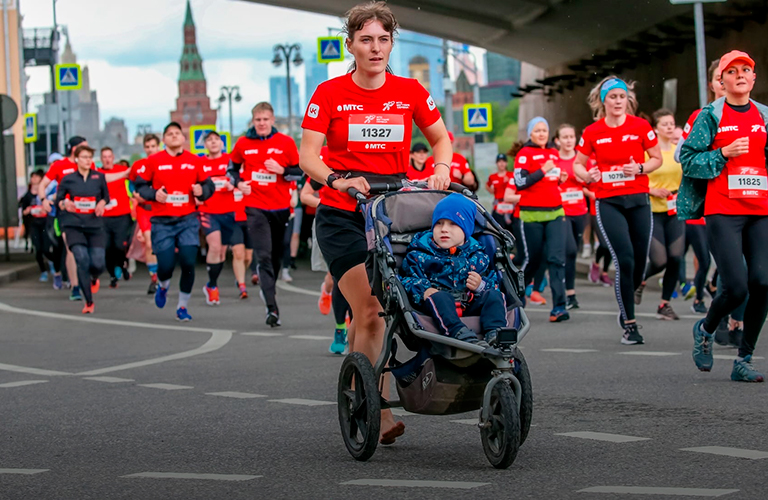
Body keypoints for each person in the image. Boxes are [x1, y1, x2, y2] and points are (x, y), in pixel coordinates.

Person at [299, 1, 451, 445]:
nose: (375, 47)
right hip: (342, 216)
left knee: (391, 312)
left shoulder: (409, 91)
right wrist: (337, 179)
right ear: (351, 45)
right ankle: (376, 408)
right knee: (370, 309)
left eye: (383, 39)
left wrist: (441, 169)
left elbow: (441, 139)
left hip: (394, 216)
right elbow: (308, 155)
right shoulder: (328, 94)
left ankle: (358, 388)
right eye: (366, 39)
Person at [680, 50, 768, 382]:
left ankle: (744, 358)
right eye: (732, 71)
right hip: (723, 210)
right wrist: (721, 153)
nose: (740, 75)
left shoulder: (764, 115)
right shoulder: (711, 115)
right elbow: (688, 159)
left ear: (754, 78)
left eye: (747, 69)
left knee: (763, 282)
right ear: (722, 80)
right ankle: (705, 329)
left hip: (760, 209)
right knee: (737, 287)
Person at [574, 76, 662, 345]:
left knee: (639, 260)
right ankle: (629, 323)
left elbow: (656, 158)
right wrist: (588, 175)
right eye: (612, 97)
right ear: (604, 101)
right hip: (609, 201)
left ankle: (628, 301)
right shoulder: (592, 132)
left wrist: (640, 168)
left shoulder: (641, 127)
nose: (617, 102)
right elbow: (578, 165)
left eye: (621, 97)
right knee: (624, 259)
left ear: (628, 100)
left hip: (638, 200)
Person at [227, 102, 301, 327]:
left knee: (276, 255)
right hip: (255, 207)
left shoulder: (285, 143)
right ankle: (272, 309)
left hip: (280, 209)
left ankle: (268, 291)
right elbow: (231, 170)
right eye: (257, 120)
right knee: (264, 256)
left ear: (272, 121)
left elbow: (300, 172)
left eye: (265, 119)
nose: (261, 123)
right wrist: (240, 183)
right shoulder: (243, 143)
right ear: (253, 121)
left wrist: (283, 171)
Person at [134, 122, 214, 321]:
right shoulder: (154, 161)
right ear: (164, 139)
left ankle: (182, 307)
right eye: (169, 133)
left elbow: (208, 185)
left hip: (187, 219)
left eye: (177, 133)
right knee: (166, 265)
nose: (174, 136)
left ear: (183, 138)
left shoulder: (195, 160)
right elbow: (140, 187)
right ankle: (163, 286)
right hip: (162, 221)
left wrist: (201, 191)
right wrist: (154, 194)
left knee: (188, 261)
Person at [401, 193, 504, 346]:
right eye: (439, 223)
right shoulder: (419, 254)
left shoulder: (477, 256)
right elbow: (407, 279)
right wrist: (423, 290)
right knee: (440, 297)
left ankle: (495, 332)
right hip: (435, 308)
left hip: (469, 305)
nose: (444, 229)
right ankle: (457, 331)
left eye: (453, 224)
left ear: (466, 228)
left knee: (494, 295)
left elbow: (494, 281)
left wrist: (481, 286)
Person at [677, 59, 725, 316]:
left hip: (745, 203)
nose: (726, 81)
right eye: (722, 76)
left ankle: (731, 317)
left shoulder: (757, 114)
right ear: (714, 83)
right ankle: (716, 317)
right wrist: (716, 156)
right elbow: (680, 155)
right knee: (707, 259)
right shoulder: (702, 116)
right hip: (710, 203)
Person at [515, 117, 570, 322]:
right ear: (530, 133)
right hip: (531, 215)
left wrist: (560, 178)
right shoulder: (524, 154)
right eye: (537, 130)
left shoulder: (553, 153)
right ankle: (517, 298)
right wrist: (542, 170)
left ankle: (559, 307)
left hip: (556, 213)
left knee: (557, 259)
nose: (541, 134)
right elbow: (520, 182)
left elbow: (551, 181)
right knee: (533, 260)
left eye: (544, 130)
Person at [634, 109, 685, 320]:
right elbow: (635, 180)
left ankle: (664, 304)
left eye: (672, 123)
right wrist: (652, 190)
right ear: (655, 129)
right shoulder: (649, 154)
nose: (670, 127)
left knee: (676, 258)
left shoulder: (678, 151)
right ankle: (640, 280)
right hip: (653, 211)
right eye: (665, 124)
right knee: (660, 260)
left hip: (674, 210)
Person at [55, 145, 109, 314]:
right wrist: (65, 203)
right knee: (81, 259)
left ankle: (94, 278)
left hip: (94, 225)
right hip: (74, 225)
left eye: (89, 157)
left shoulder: (99, 177)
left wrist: (101, 203)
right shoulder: (68, 179)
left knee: (98, 263)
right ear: (76, 159)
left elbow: (105, 196)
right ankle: (89, 302)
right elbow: (59, 199)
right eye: (84, 157)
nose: (87, 160)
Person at [198, 131, 235, 306]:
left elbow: (240, 177)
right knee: (214, 246)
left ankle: (211, 283)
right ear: (205, 145)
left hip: (229, 211)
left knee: (221, 251)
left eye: (216, 140)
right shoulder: (201, 163)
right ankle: (213, 287)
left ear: (222, 143)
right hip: (208, 211)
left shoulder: (230, 160)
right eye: (209, 140)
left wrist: (233, 183)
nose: (213, 143)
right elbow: (194, 183)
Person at [556, 124, 589, 310]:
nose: (569, 140)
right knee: (568, 249)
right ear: (558, 140)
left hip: (580, 210)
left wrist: (585, 180)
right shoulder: (554, 160)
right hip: (562, 211)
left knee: (573, 251)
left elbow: (591, 180)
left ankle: (570, 290)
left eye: (571, 136)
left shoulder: (581, 160)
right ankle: (569, 293)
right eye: (565, 137)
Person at [129, 134, 162, 295]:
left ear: (159, 146)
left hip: (161, 209)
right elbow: (131, 183)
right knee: (149, 244)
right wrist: (135, 194)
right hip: (145, 210)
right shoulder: (138, 165)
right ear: (144, 148)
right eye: (147, 147)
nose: (150, 149)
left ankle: (163, 276)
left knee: (162, 244)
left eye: (153, 146)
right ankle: (154, 278)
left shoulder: (165, 163)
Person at [98, 147, 133, 288]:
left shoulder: (122, 170)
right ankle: (113, 275)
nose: (107, 159)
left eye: (109, 156)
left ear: (113, 157)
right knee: (107, 247)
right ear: (101, 159)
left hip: (121, 215)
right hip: (104, 217)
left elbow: (135, 182)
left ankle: (123, 265)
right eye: (104, 157)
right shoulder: (98, 174)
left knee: (119, 246)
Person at [19, 170, 50, 281]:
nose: (35, 179)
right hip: (34, 224)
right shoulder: (27, 195)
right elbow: (23, 211)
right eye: (33, 177)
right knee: (38, 248)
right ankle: (43, 271)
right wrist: (28, 211)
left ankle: (52, 262)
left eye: (37, 177)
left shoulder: (47, 193)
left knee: (46, 248)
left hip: (45, 223)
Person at [486, 153, 515, 231]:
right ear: (496, 163)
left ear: (506, 163)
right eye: (499, 161)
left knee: (512, 229)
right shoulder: (493, 177)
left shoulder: (511, 175)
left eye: (503, 161)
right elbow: (487, 185)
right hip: (498, 206)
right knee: (498, 228)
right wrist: (491, 191)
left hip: (510, 205)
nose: (501, 164)